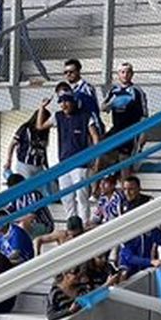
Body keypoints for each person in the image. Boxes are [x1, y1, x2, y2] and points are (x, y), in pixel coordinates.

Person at [35, 91, 100, 224]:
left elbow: (95, 136)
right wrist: (42, 107)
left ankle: (84, 222)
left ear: (73, 102)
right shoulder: (58, 116)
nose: (63, 105)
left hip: (81, 163)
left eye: (66, 101)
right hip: (64, 163)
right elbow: (39, 126)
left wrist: (95, 155)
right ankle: (72, 223)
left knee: (81, 196)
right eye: (61, 102)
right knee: (66, 197)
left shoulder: (85, 116)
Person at [103, 62, 149, 161]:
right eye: (122, 72)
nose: (125, 75)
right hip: (116, 129)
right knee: (104, 152)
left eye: (128, 72)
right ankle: (113, 175)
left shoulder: (137, 91)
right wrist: (112, 104)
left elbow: (144, 113)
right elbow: (103, 107)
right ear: (118, 74)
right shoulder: (113, 91)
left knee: (125, 158)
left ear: (132, 74)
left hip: (131, 131)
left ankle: (125, 176)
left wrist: (143, 132)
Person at [5, 110, 50, 179]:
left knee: (41, 187)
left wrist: (47, 166)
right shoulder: (25, 128)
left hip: (39, 165)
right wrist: (8, 160)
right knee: (27, 186)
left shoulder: (45, 132)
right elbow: (12, 144)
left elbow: (43, 150)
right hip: (24, 164)